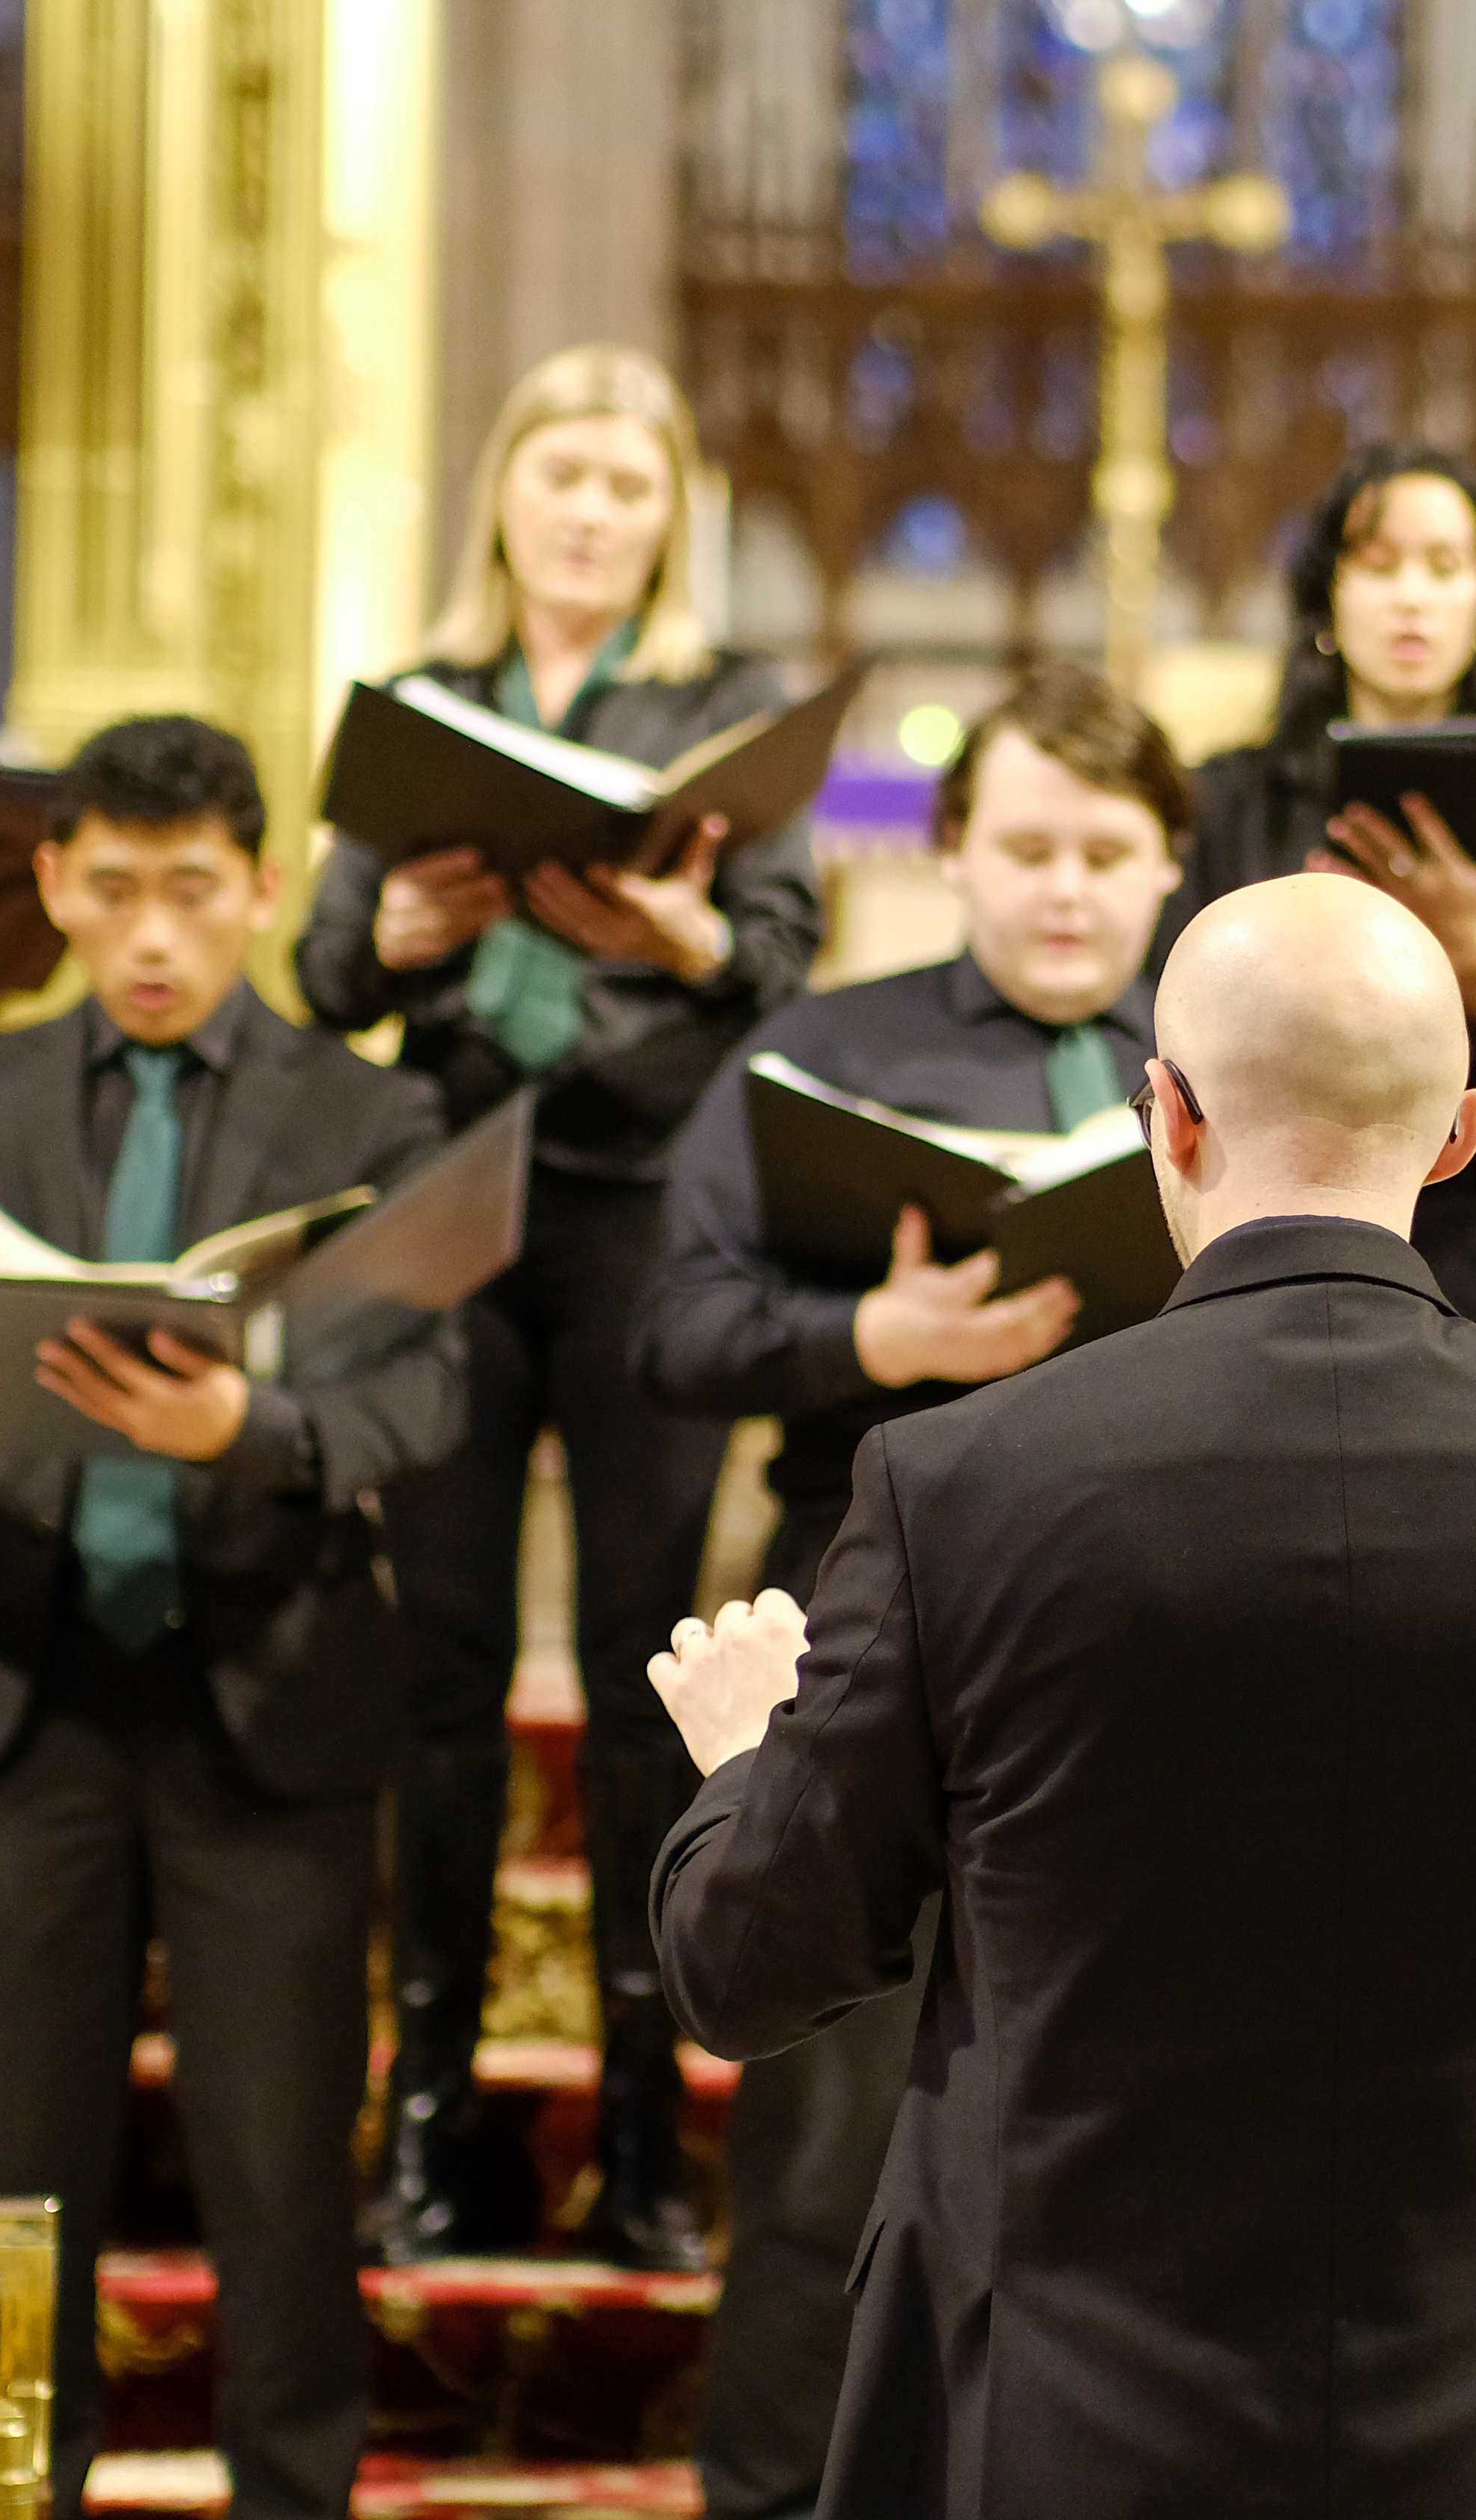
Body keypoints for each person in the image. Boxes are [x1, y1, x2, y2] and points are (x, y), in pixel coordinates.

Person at [642, 873, 1476, 2519]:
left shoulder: (958, 1480)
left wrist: (754, 1755)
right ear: (1463, 1134)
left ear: (1163, 1116)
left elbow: (748, 1966)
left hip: (1083, 2416)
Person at [0, 715, 469, 2520]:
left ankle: (292, 2498)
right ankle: (17, 2499)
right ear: (52, 888)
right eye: (112, 892)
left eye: (193, 892)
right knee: (13, 2183)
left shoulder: (372, 1109)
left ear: (260, 887)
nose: (154, 935)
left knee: (277, 2175)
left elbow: (428, 1396)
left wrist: (243, 1428)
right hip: (14, 1697)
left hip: (270, 1690)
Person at [631, 662, 1180, 2520]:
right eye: (1025, 846)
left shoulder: (1214, 1082)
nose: (1065, 890)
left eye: (1108, 853)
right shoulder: (819, 1055)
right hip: (864, 1623)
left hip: (1147, 1638)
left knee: (1138, 2130)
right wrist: (878, 1329)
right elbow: (677, 1326)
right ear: (949, 850)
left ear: (1171, 868)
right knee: (829, 2133)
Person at [296, 343, 825, 2265]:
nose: (593, 512)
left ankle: (641, 2126)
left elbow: (785, 962)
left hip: (642, 1217)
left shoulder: (721, 706)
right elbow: (331, 954)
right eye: (562, 475)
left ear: (670, 512)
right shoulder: (427, 699)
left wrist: (682, 930)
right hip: (449, 1205)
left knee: (634, 1676)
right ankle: (425, 2123)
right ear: (501, 496)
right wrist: (405, 930)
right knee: (437, 1665)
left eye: (630, 482)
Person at [1156, 442, 1476, 1344]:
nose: (1412, 595)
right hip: (1257, 1247)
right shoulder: (1231, 798)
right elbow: (1164, 1029)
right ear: (1327, 595)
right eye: (1379, 565)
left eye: (1445, 566)